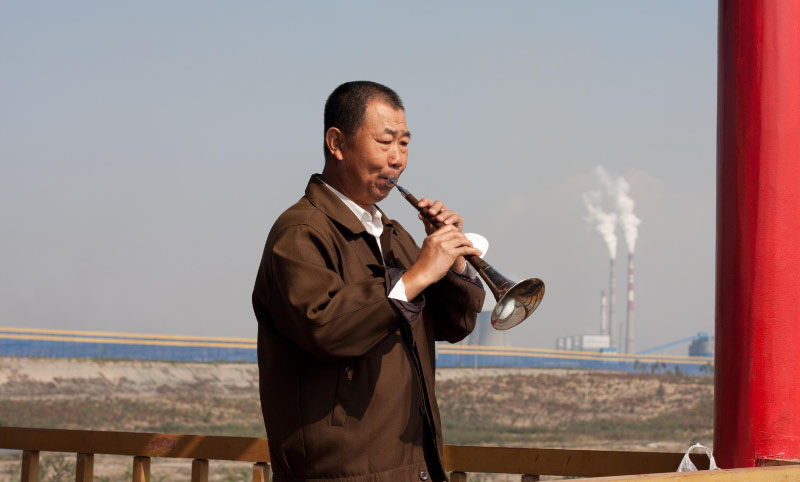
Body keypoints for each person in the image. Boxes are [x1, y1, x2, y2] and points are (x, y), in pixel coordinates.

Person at [252, 81, 486, 482]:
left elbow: (453, 324)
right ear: (337, 143)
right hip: (339, 472)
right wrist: (415, 276)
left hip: (413, 468)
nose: (397, 159)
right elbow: (326, 329)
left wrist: (455, 264)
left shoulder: (394, 234)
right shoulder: (300, 232)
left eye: (405, 144)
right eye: (385, 142)